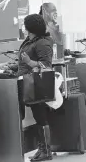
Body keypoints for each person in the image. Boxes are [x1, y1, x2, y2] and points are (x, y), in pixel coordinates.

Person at [17, 14, 54, 161]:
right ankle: (42, 149)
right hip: (27, 82)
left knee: (40, 117)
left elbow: (46, 65)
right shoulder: (30, 41)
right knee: (38, 116)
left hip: (37, 84)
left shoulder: (42, 42)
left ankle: (45, 150)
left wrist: (29, 61)